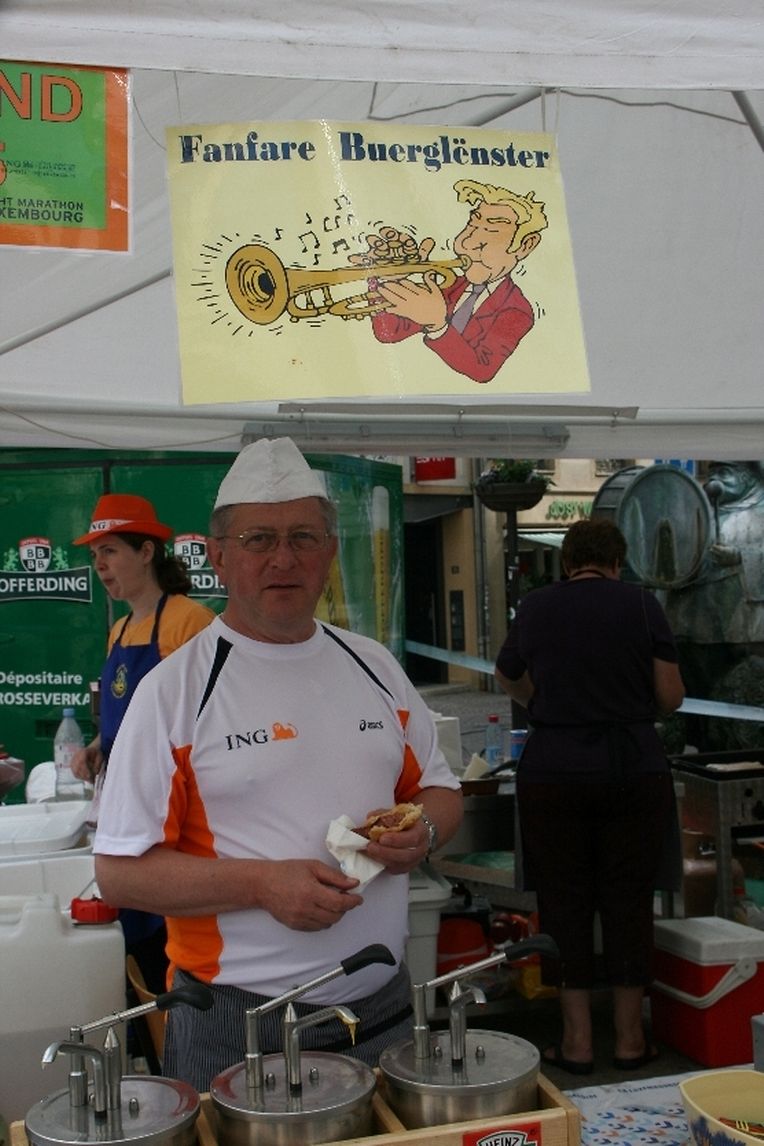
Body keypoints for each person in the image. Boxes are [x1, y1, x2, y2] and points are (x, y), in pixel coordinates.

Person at [94, 437, 463, 1091]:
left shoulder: (375, 666)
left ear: (330, 551)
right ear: (219, 557)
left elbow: (438, 789)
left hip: (384, 1009)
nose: (283, 558)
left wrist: (424, 831)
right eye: (258, 539)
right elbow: (119, 873)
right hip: (236, 1024)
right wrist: (262, 884)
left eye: (303, 537)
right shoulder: (175, 691)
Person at [494, 517, 685, 1075]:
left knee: (563, 900)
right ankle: (629, 1039)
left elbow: (507, 675)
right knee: (629, 899)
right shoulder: (643, 605)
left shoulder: (535, 607)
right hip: (632, 766)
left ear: (567, 561)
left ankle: (576, 1042)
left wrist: (544, 702)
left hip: (553, 769)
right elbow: (670, 695)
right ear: (617, 562)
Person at [72, 493, 216, 990]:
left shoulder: (190, 621)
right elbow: (126, 715)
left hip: (172, 806)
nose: (100, 565)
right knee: (130, 932)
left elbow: (210, 719)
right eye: (96, 555)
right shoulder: (118, 630)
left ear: (147, 551)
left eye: (110, 551)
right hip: (124, 802)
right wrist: (98, 743)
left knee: (166, 931)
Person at [359, 178, 547, 383]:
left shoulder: (517, 310)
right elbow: (389, 331)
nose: (466, 243)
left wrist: (438, 326)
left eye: (492, 231)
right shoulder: (450, 285)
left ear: (525, 246)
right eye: (472, 224)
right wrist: (386, 280)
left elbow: (482, 370)